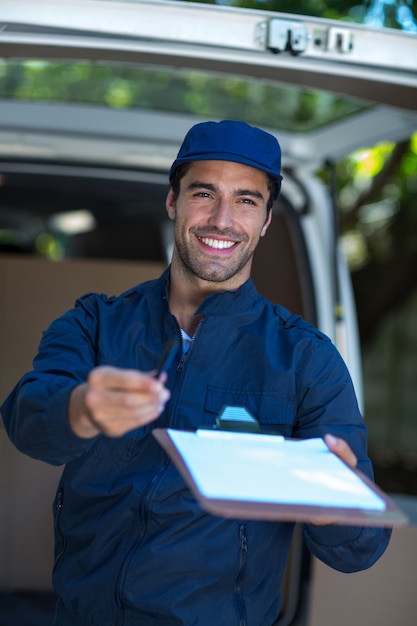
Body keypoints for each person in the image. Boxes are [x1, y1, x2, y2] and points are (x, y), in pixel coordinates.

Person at [1, 120, 391, 626]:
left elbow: (361, 549)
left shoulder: (306, 359)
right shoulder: (95, 321)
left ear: (267, 219)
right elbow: (28, 420)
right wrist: (80, 409)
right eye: (204, 194)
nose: (222, 219)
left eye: (247, 201)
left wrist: (330, 502)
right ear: (173, 202)